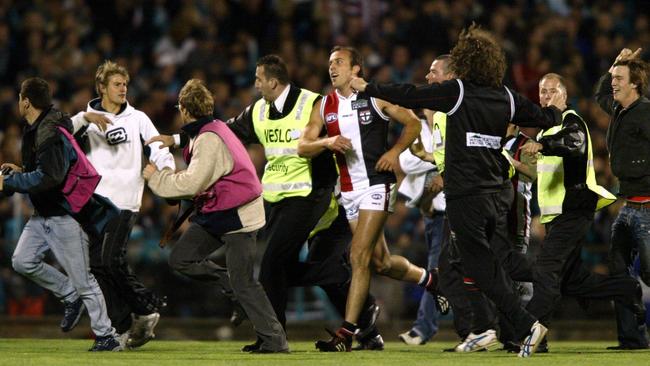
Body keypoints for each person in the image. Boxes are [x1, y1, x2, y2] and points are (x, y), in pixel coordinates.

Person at [349, 25, 564, 357]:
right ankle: (487, 329)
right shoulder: (506, 97)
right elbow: (542, 116)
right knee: (468, 264)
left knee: (481, 268)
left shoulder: (457, 92)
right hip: (499, 197)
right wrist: (557, 110)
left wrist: (369, 87)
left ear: (464, 64)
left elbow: (410, 94)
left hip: (468, 197)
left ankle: (525, 326)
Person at [147, 55, 384, 351]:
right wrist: (177, 139)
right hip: (277, 199)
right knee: (275, 268)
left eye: (259, 79)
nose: (255, 85)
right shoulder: (258, 110)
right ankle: (358, 319)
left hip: (313, 196)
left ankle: (275, 336)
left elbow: (343, 139)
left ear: (273, 81)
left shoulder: (313, 103)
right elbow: (221, 133)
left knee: (271, 264)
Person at [299, 46, 444, 352]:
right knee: (379, 262)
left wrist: (394, 152)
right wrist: (326, 141)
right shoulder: (324, 105)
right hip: (349, 192)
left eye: (339, 62)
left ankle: (347, 332)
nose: (332, 67)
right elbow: (303, 145)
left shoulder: (374, 97)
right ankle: (432, 281)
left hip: (377, 184)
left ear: (356, 70)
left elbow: (413, 122)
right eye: (329, 63)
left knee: (358, 257)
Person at [143, 79, 289, 353]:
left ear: (185, 109)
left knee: (244, 281)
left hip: (239, 215)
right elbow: (196, 137)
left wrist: (157, 178)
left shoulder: (209, 138)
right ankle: (231, 288)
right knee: (182, 258)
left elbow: (190, 184)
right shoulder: (215, 127)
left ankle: (274, 341)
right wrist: (173, 140)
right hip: (219, 211)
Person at [522, 72, 645, 348]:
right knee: (574, 282)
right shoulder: (546, 129)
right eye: (542, 92)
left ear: (564, 95)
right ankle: (626, 289)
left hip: (574, 210)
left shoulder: (571, 120)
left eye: (552, 91)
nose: (546, 97)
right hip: (558, 215)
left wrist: (543, 145)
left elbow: (573, 143)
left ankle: (528, 332)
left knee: (545, 269)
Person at [3, 77, 122, 351]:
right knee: (22, 261)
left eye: (21, 97)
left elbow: (51, 177)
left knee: (84, 280)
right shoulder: (41, 126)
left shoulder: (49, 132)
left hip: (63, 216)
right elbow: (45, 168)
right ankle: (69, 294)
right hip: (42, 215)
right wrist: (20, 172)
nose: (19, 102)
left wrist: (9, 182)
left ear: (26, 102)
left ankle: (107, 336)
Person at [70, 60, 174, 348]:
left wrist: (163, 170)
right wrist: (83, 118)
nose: (122, 88)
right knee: (95, 267)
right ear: (101, 88)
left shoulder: (137, 118)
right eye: (116, 84)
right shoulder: (87, 120)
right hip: (94, 203)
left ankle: (146, 306)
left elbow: (157, 145)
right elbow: (60, 136)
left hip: (125, 201)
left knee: (110, 260)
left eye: (124, 84)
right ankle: (126, 323)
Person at [595, 47, 650, 350]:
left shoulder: (645, 112)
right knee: (619, 273)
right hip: (629, 207)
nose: (612, 82)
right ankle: (632, 339)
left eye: (619, 78)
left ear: (635, 84)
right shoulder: (618, 109)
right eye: (613, 77)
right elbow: (598, 94)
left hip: (648, 207)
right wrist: (615, 61)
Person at [397, 54, 452, 346]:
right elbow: (407, 162)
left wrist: (434, 161)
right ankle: (480, 327)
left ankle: (424, 328)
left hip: (452, 212)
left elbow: (460, 157)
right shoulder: (420, 129)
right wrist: (438, 162)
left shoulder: (454, 121)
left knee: (437, 272)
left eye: (434, 72)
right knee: (443, 273)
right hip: (433, 214)